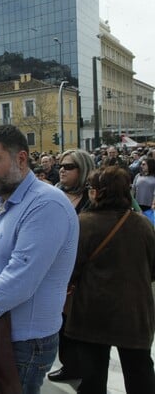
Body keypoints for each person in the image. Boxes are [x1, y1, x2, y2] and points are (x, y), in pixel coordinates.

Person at [0, 124, 79, 393]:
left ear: (21, 159)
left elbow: (17, 282)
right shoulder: (1, 200)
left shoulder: (46, 204)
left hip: (21, 343)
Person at [65, 166, 155, 394]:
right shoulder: (143, 224)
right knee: (140, 374)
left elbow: (69, 269)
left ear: (99, 192)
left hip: (92, 312)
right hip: (134, 312)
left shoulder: (83, 224)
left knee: (93, 378)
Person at [47, 149, 95, 383]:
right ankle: (69, 365)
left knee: (81, 325)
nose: (62, 170)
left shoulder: (93, 199)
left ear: (83, 169)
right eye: (61, 165)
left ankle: (84, 369)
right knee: (61, 323)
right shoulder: (55, 193)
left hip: (83, 272)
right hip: (56, 270)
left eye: (69, 166)